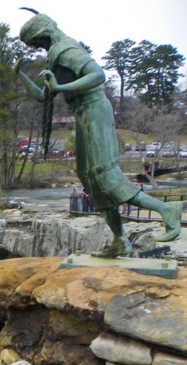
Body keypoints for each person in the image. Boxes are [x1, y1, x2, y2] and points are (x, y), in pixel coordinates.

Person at [14, 10, 182, 257]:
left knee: (104, 175)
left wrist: (61, 86)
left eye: (37, 42)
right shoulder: (56, 53)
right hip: (84, 113)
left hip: (94, 110)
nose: (39, 48)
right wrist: (19, 75)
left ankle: (167, 210)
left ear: (44, 33)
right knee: (89, 177)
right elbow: (43, 96)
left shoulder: (66, 48)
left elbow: (97, 75)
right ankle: (120, 241)